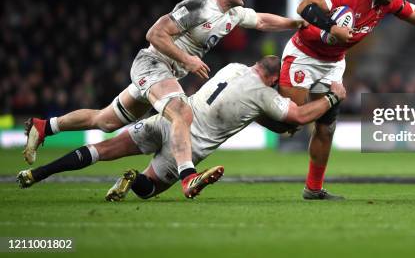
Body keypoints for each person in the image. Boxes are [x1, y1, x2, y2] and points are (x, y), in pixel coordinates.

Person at [23, 0, 305, 198]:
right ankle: (187, 177)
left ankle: (45, 126)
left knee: (105, 121)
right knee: (182, 112)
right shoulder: (199, 6)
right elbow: (154, 34)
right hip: (153, 64)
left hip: (164, 74)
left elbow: (264, 21)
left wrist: (296, 24)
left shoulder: (234, 14)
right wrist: (187, 59)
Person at [17, 56, 347, 200]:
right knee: (150, 190)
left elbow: (249, 110)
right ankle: (136, 179)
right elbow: (301, 117)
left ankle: (38, 173)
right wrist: (332, 96)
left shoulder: (234, 68)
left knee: (101, 148)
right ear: (274, 79)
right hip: (188, 145)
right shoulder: (264, 95)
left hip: (171, 117)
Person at [281, 0, 415, 200]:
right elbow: (304, 6)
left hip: (333, 63)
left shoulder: (389, 1)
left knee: (326, 127)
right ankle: (258, 91)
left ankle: (313, 189)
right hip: (304, 55)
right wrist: (332, 27)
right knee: (290, 121)